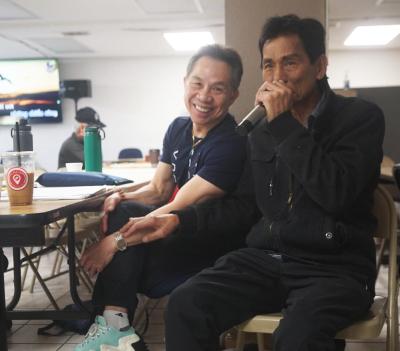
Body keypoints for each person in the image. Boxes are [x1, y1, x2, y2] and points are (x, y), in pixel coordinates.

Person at [123, 15, 385, 351]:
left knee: (296, 337)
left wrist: (286, 127)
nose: (277, 77)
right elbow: (245, 206)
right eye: (268, 65)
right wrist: (178, 218)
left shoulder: (360, 117)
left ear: (319, 66)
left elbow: (337, 194)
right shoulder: (261, 131)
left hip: (335, 268)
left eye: (290, 63)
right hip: (267, 259)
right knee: (187, 304)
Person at [74, 44, 247, 351]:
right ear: (185, 83)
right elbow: (159, 189)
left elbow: (174, 208)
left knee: (125, 229)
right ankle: (115, 326)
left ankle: (113, 326)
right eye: (197, 83)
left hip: (204, 246)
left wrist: (114, 242)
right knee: (125, 209)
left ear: (233, 94)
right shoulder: (179, 128)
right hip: (172, 238)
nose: (204, 96)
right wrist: (119, 194)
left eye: (218, 88)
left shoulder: (231, 144)